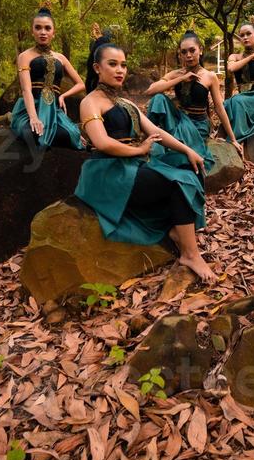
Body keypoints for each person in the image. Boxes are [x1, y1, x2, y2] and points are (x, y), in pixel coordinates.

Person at [75, 38, 215, 283]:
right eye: (113, 64)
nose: (120, 70)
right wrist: (139, 151)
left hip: (133, 165)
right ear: (97, 68)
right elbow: (102, 143)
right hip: (109, 172)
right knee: (176, 182)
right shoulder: (90, 102)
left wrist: (188, 151)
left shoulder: (126, 103)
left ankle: (176, 229)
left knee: (189, 167)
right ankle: (190, 254)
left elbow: (157, 133)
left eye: (123, 65)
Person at [146, 30, 243, 170]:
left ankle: (169, 145)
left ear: (201, 50)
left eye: (192, 50)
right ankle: (146, 139)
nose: (188, 56)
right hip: (178, 119)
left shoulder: (209, 76)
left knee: (178, 154)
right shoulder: (176, 74)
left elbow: (219, 108)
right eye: (184, 52)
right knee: (159, 98)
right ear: (180, 54)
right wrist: (180, 78)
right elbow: (150, 90)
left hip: (197, 125)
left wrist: (233, 139)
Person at [11, 6, 85, 149]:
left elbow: (81, 84)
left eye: (47, 28)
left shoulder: (61, 58)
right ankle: (14, 119)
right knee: (33, 134)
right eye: (38, 28)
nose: (42, 32)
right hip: (30, 109)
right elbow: (26, 90)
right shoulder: (25, 56)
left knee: (68, 135)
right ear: (33, 31)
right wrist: (33, 117)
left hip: (54, 110)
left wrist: (63, 96)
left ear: (53, 33)